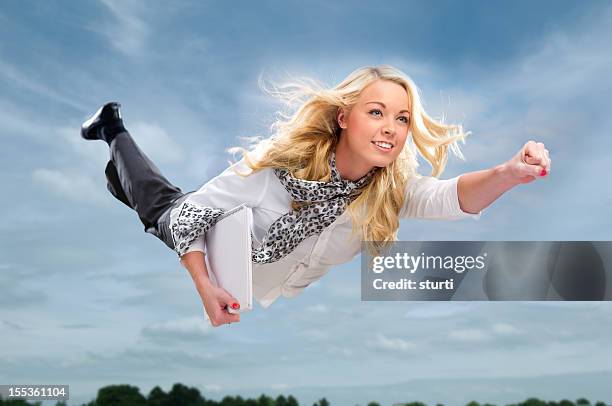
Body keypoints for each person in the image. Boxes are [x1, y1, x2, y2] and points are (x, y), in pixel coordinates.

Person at [80, 65, 551, 327]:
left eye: (403, 118)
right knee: (164, 209)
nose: (390, 127)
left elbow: (451, 198)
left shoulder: (385, 190)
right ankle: (112, 128)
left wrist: (510, 172)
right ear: (345, 117)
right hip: (213, 237)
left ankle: (119, 178)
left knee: (151, 200)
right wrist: (205, 289)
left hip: (260, 273)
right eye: (376, 112)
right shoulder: (274, 166)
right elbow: (192, 220)